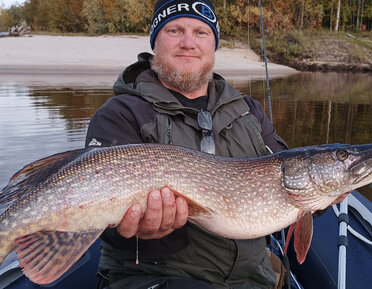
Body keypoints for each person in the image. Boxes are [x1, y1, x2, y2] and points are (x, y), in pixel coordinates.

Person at [85, 0, 289, 288]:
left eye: (201, 33)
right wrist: (132, 228)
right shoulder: (120, 114)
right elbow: (98, 221)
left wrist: (326, 193)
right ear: (156, 42)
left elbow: (291, 182)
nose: (188, 43)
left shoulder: (249, 111)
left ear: (213, 45)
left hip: (251, 278)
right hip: (152, 278)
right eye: (175, 30)